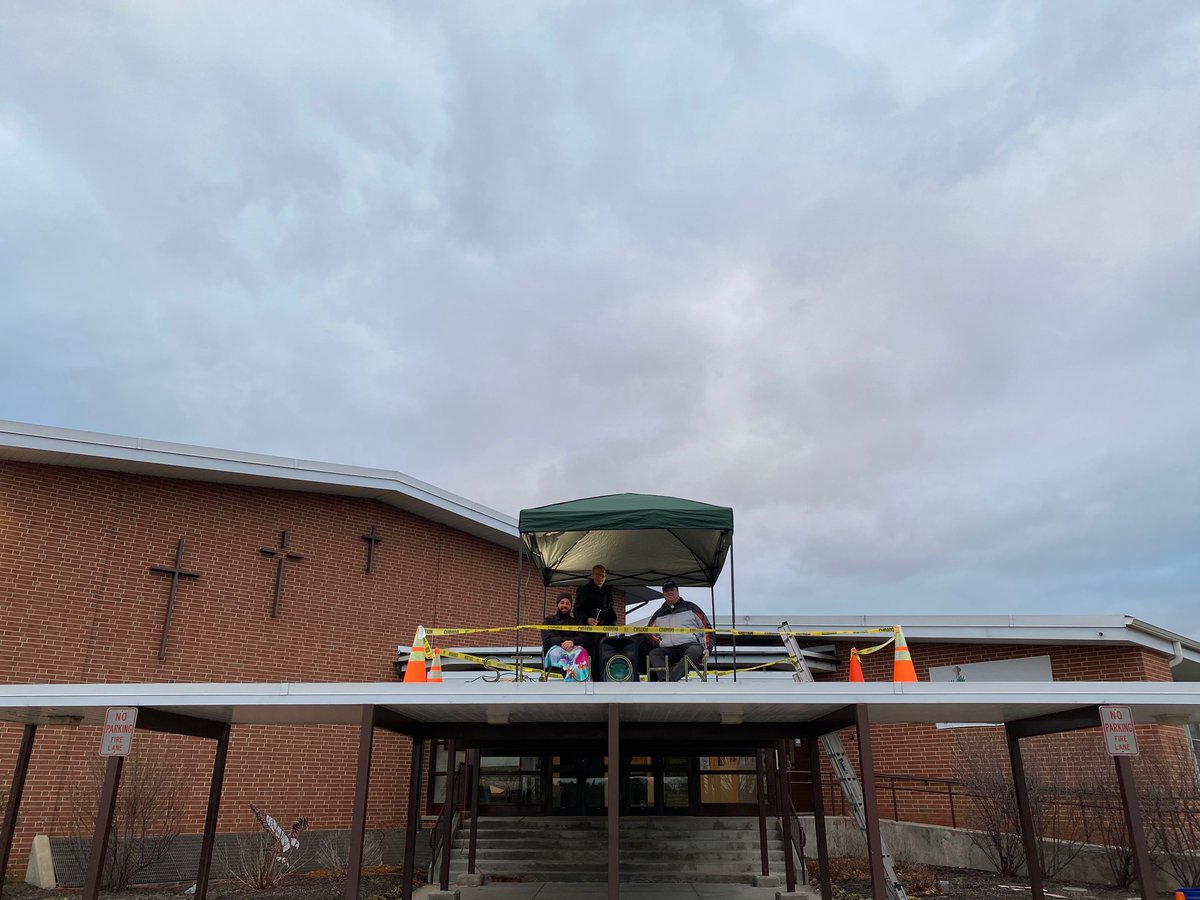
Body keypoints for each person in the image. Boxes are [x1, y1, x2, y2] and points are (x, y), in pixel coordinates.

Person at [646, 581, 712, 682]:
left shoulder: (692, 608)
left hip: (690, 646)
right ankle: (667, 679)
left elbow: (707, 629)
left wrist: (708, 648)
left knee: (695, 650)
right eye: (666, 591)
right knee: (654, 654)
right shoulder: (658, 614)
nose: (669, 593)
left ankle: (669, 681)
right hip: (669, 649)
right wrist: (660, 642)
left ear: (678, 591)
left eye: (672, 590)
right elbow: (649, 633)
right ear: (663, 594)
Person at [542, 592, 589, 680]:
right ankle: (572, 681)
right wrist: (563, 643)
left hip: (573, 648)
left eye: (567, 603)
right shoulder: (549, 620)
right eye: (562, 603)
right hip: (555, 649)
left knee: (582, 652)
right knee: (564, 657)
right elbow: (547, 639)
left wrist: (572, 642)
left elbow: (584, 638)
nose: (565, 605)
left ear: (571, 606)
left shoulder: (576, 622)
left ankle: (581, 680)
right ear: (557, 604)